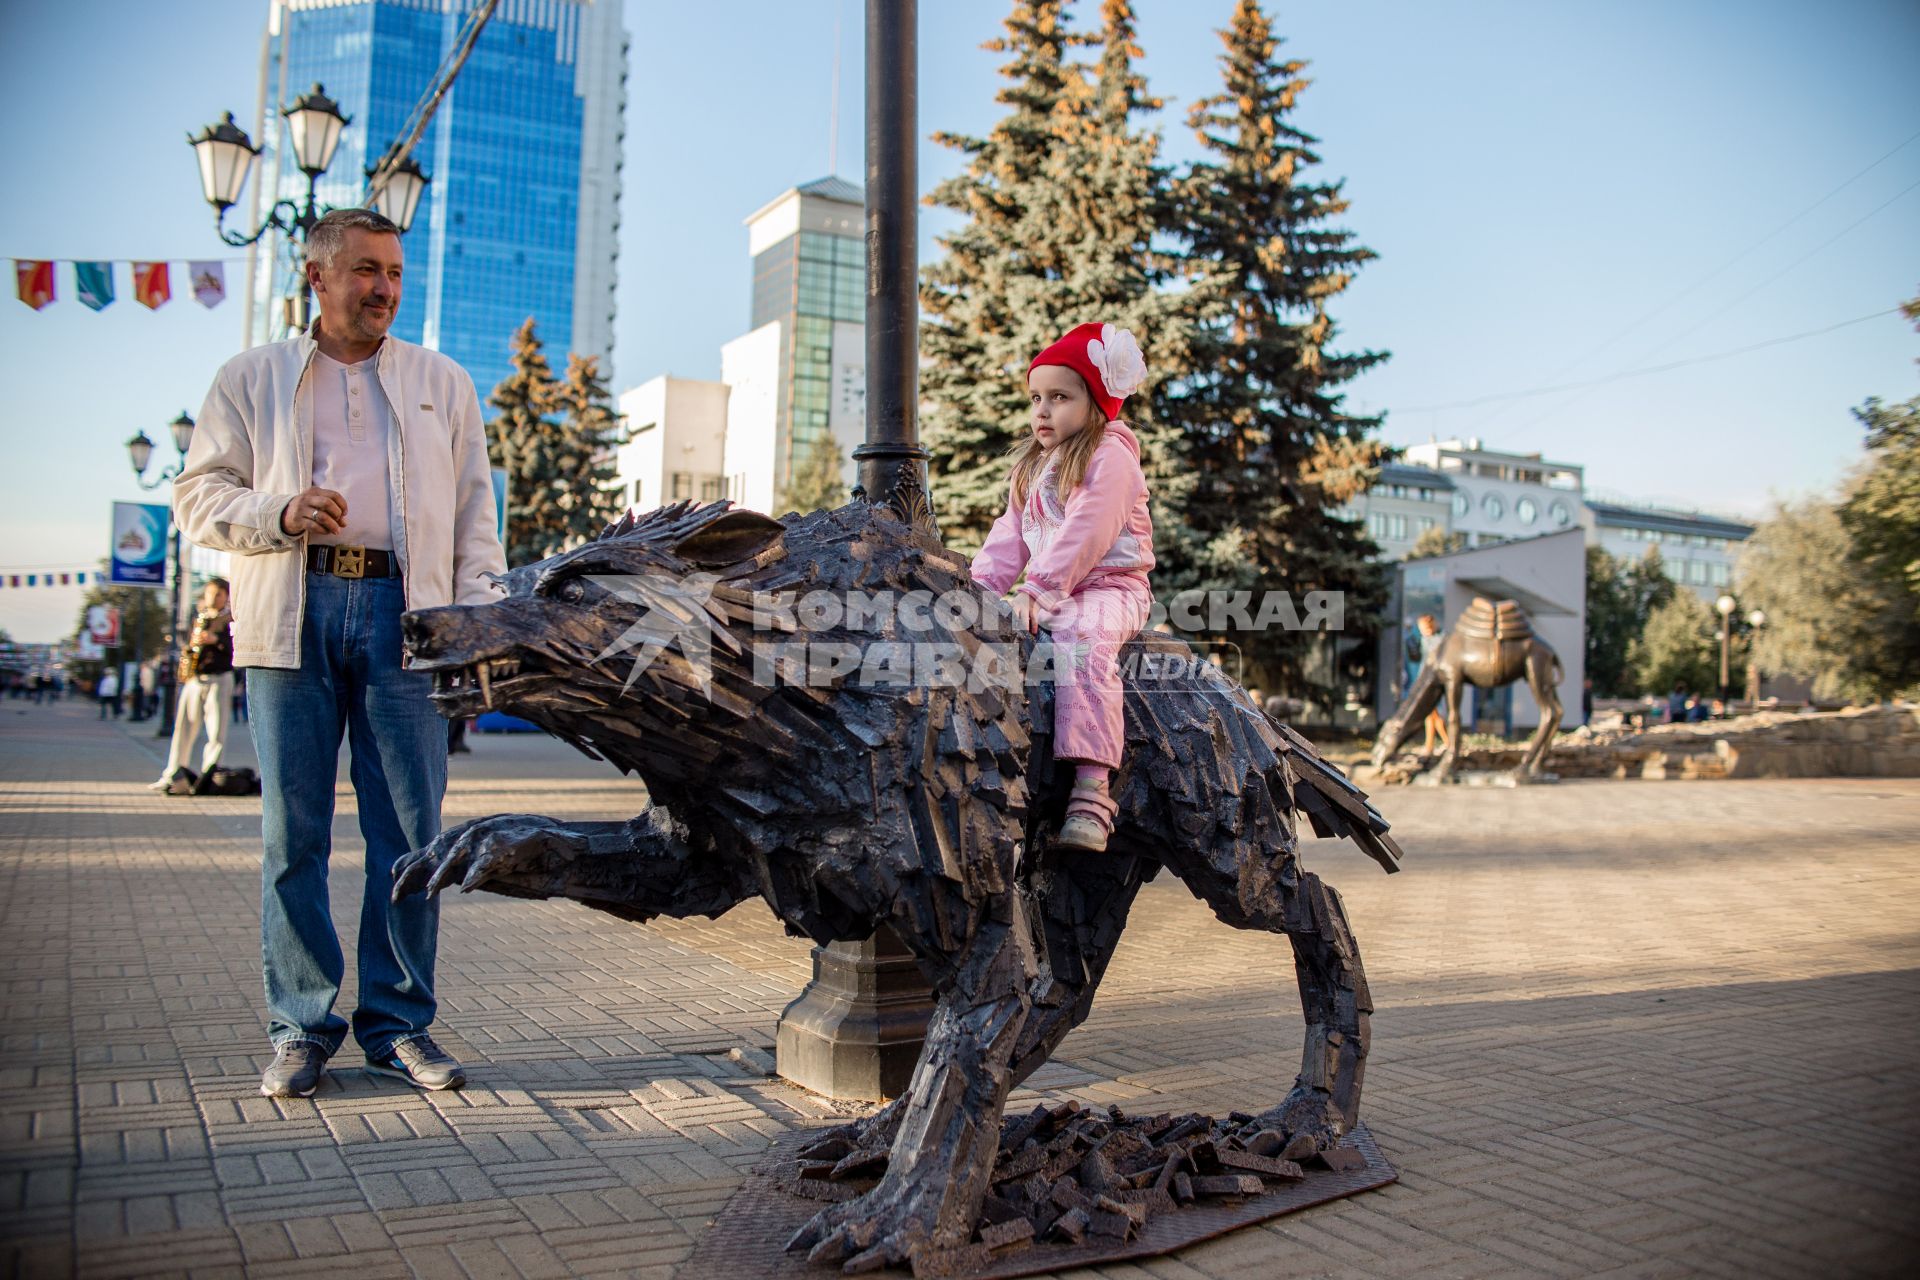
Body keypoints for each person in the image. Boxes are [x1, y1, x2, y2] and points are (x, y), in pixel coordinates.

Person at [173, 207, 506, 1101]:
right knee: (297, 834)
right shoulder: (252, 376)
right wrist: (275, 513)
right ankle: (300, 1026)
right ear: (316, 277)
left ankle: (399, 1026)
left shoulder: (443, 381)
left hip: (409, 610)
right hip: (291, 605)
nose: (384, 289)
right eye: (365, 270)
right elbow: (197, 496)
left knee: (411, 834)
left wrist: (474, 630)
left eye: (394, 272)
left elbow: (478, 513)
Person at [972, 322, 1154, 853]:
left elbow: (1089, 528)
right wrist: (977, 590)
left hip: (1111, 587)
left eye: (1060, 397)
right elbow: (1008, 537)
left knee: (1081, 636)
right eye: (1036, 397)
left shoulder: (1111, 455)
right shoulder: (1033, 467)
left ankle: (1093, 791)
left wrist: (1040, 588)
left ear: (1096, 403)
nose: (1043, 411)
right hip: (1055, 589)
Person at [150, 579, 236, 792]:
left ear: (226, 596)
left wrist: (215, 640)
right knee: (183, 727)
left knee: (216, 732)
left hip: (219, 677)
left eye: (219, 594)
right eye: (210, 594)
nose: (214, 598)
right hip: (195, 678)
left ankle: (208, 777)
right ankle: (174, 774)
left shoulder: (231, 620)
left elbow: (235, 650)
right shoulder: (199, 617)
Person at [1415, 614, 1449, 755]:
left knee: (1434, 713)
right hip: (1424, 679)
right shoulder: (1425, 639)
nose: (1422, 631)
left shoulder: (1440, 639)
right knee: (1429, 715)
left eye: (1423, 628)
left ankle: (1448, 742)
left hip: (1434, 680)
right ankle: (1429, 745)